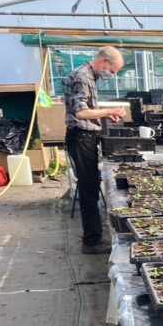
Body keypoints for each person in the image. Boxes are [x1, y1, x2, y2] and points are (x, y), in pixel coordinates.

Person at [63, 45, 126, 253]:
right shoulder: (83, 77)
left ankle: (94, 237)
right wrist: (109, 110)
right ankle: (91, 241)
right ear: (105, 62)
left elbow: (87, 110)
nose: (112, 75)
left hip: (85, 137)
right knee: (89, 189)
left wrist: (105, 115)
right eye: (113, 70)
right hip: (81, 137)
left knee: (90, 185)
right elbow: (80, 113)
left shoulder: (89, 76)